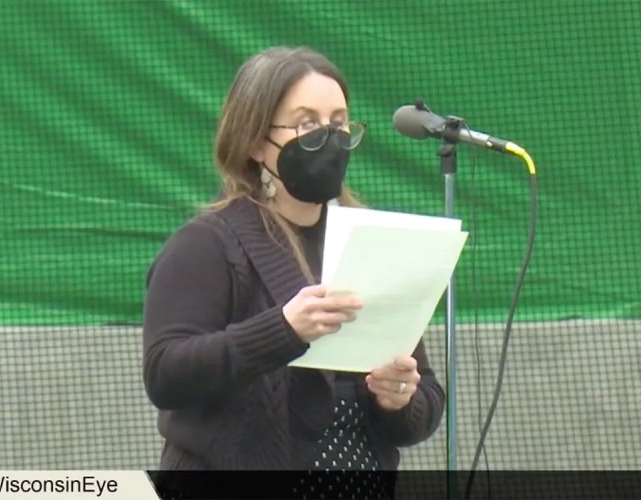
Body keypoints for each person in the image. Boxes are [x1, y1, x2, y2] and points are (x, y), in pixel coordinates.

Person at [142, 46, 445, 497]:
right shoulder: (207, 244)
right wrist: (283, 329)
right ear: (255, 141)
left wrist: (399, 398)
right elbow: (166, 374)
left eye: (339, 122)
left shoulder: (371, 241)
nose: (329, 137)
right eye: (306, 123)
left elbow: (424, 402)